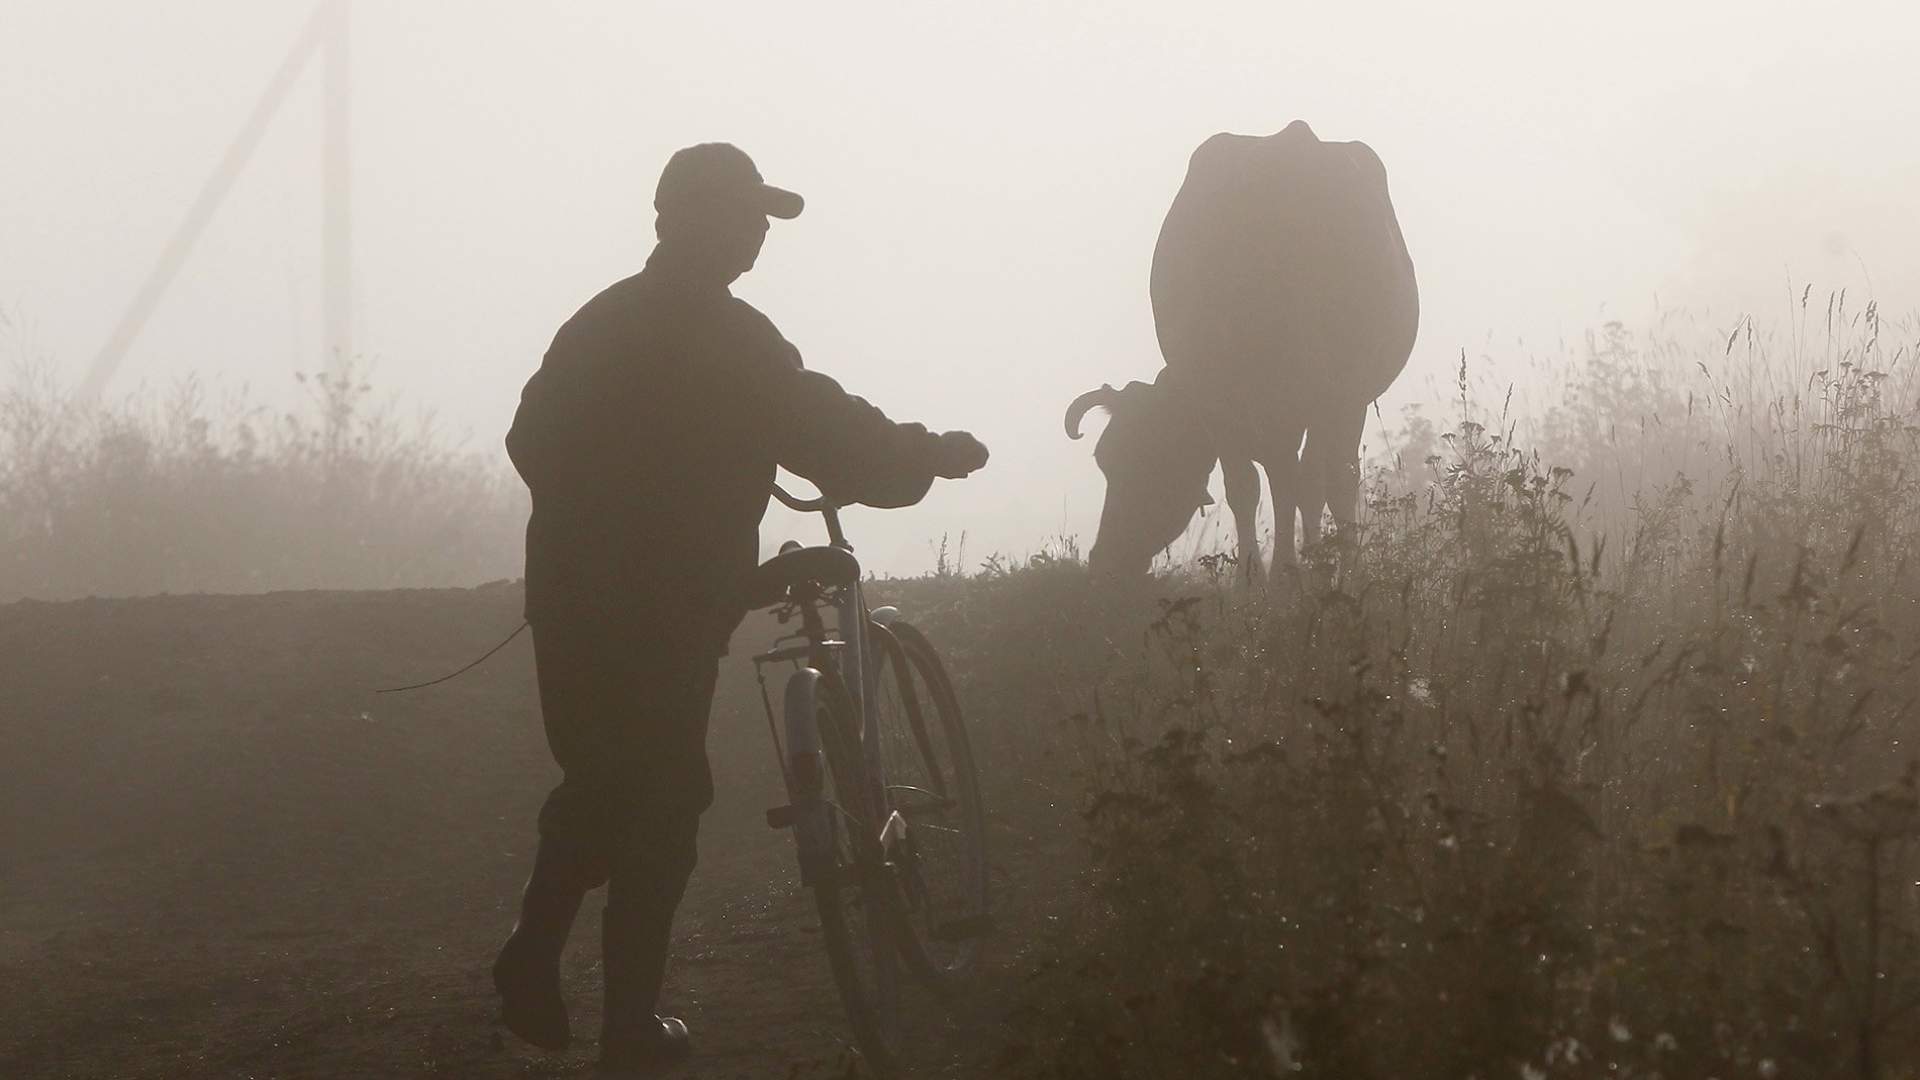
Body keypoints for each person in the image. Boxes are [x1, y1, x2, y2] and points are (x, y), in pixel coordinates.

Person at [492, 142, 989, 1076]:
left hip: (569, 601)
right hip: (671, 608)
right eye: (747, 213)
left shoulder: (595, 325)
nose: (760, 231)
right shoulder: (737, 340)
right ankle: (627, 1025)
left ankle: (532, 949)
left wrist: (595, 525)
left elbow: (530, 439)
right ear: (692, 220)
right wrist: (931, 455)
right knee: (665, 799)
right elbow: (834, 436)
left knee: (600, 778)